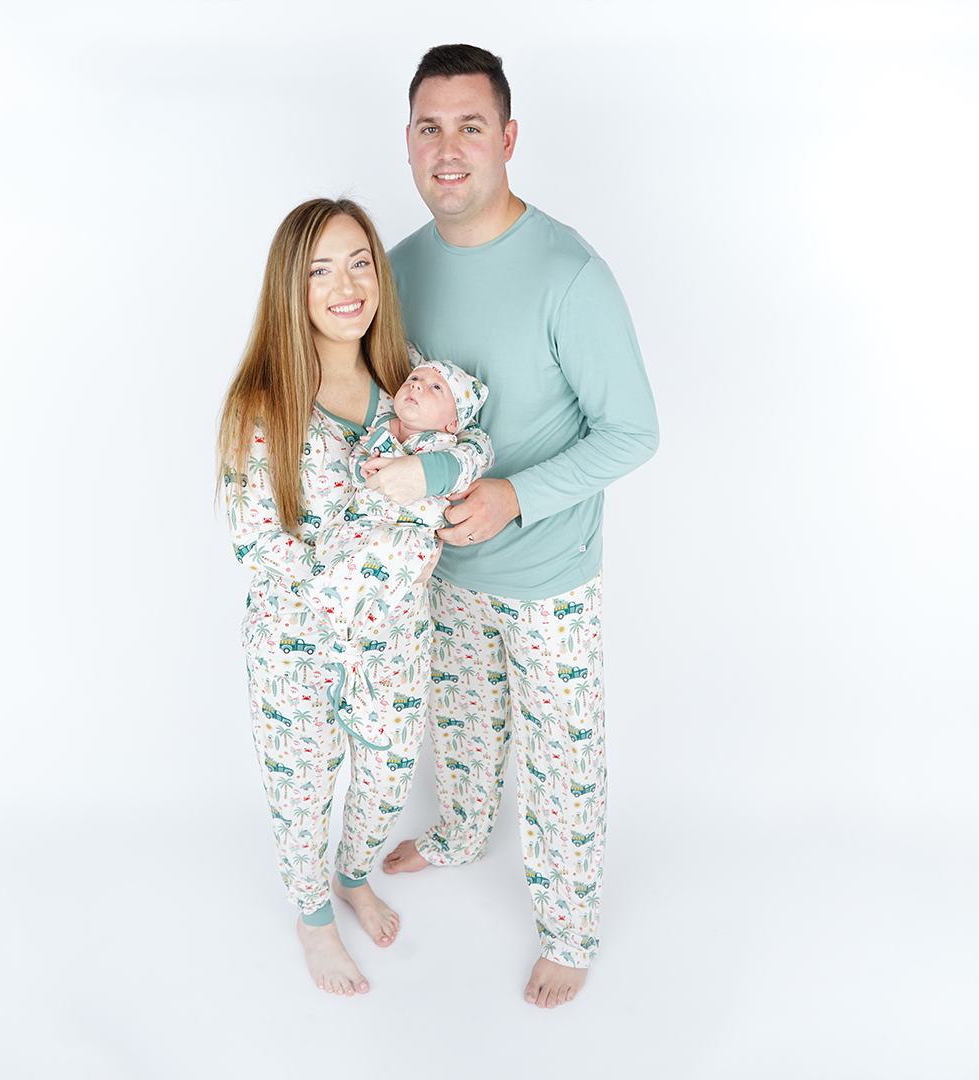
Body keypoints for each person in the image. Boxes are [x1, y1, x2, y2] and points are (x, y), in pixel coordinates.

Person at [373, 44, 660, 1009]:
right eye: (429, 126)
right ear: (408, 141)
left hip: (551, 577)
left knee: (562, 763)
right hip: (443, 576)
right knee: (459, 732)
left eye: (469, 126)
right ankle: (460, 831)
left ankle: (571, 929)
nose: (448, 148)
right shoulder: (397, 271)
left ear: (507, 138)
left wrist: (518, 495)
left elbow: (634, 432)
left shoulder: (569, 271)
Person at [217, 197, 490, 997]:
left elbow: (474, 441)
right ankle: (312, 918)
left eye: (361, 261)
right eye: (321, 269)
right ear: (290, 289)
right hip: (296, 646)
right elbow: (258, 543)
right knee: (301, 789)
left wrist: (428, 473)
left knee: (387, 773)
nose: (347, 285)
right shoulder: (263, 406)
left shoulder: (406, 378)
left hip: (394, 645)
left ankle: (353, 871)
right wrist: (379, 550)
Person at [313, 354, 490, 713]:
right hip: (363, 526)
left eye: (435, 387)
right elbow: (357, 459)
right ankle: (338, 618)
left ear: (452, 421)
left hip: (411, 537)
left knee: (389, 568)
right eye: (413, 380)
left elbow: (470, 464)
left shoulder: (448, 447)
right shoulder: (383, 428)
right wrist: (362, 466)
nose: (417, 386)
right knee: (340, 552)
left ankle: (355, 649)